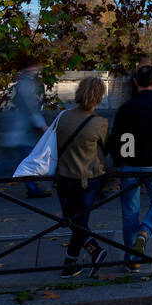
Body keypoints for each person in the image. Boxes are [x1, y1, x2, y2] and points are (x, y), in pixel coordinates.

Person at [107, 64, 152, 270]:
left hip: (130, 162)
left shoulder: (126, 107)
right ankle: (145, 231)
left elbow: (117, 138)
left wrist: (119, 160)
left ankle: (132, 258)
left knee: (130, 210)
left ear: (135, 82)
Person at [55, 75, 110, 278]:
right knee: (80, 222)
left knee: (72, 221)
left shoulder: (63, 116)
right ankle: (92, 254)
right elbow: (105, 149)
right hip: (88, 178)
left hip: (62, 177)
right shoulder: (100, 123)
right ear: (99, 97)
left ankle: (70, 265)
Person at [0, 53, 52, 199]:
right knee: (17, 161)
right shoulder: (26, 83)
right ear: (30, 66)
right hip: (22, 131)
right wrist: (42, 125)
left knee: (20, 160)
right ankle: (32, 188)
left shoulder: (25, 81)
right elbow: (30, 108)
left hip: (23, 131)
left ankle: (32, 188)